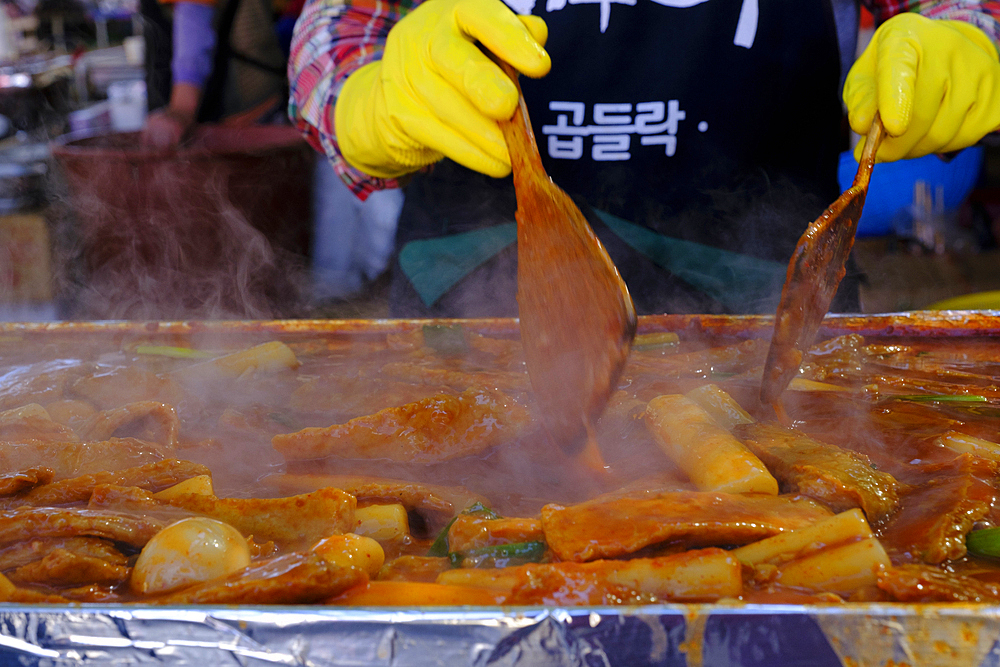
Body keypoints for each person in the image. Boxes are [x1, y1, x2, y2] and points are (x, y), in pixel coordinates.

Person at [288, 0, 1000, 317]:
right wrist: (362, 103)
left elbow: (968, 5)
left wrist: (971, 38)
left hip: (768, 327)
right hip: (474, 313)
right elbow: (335, 33)